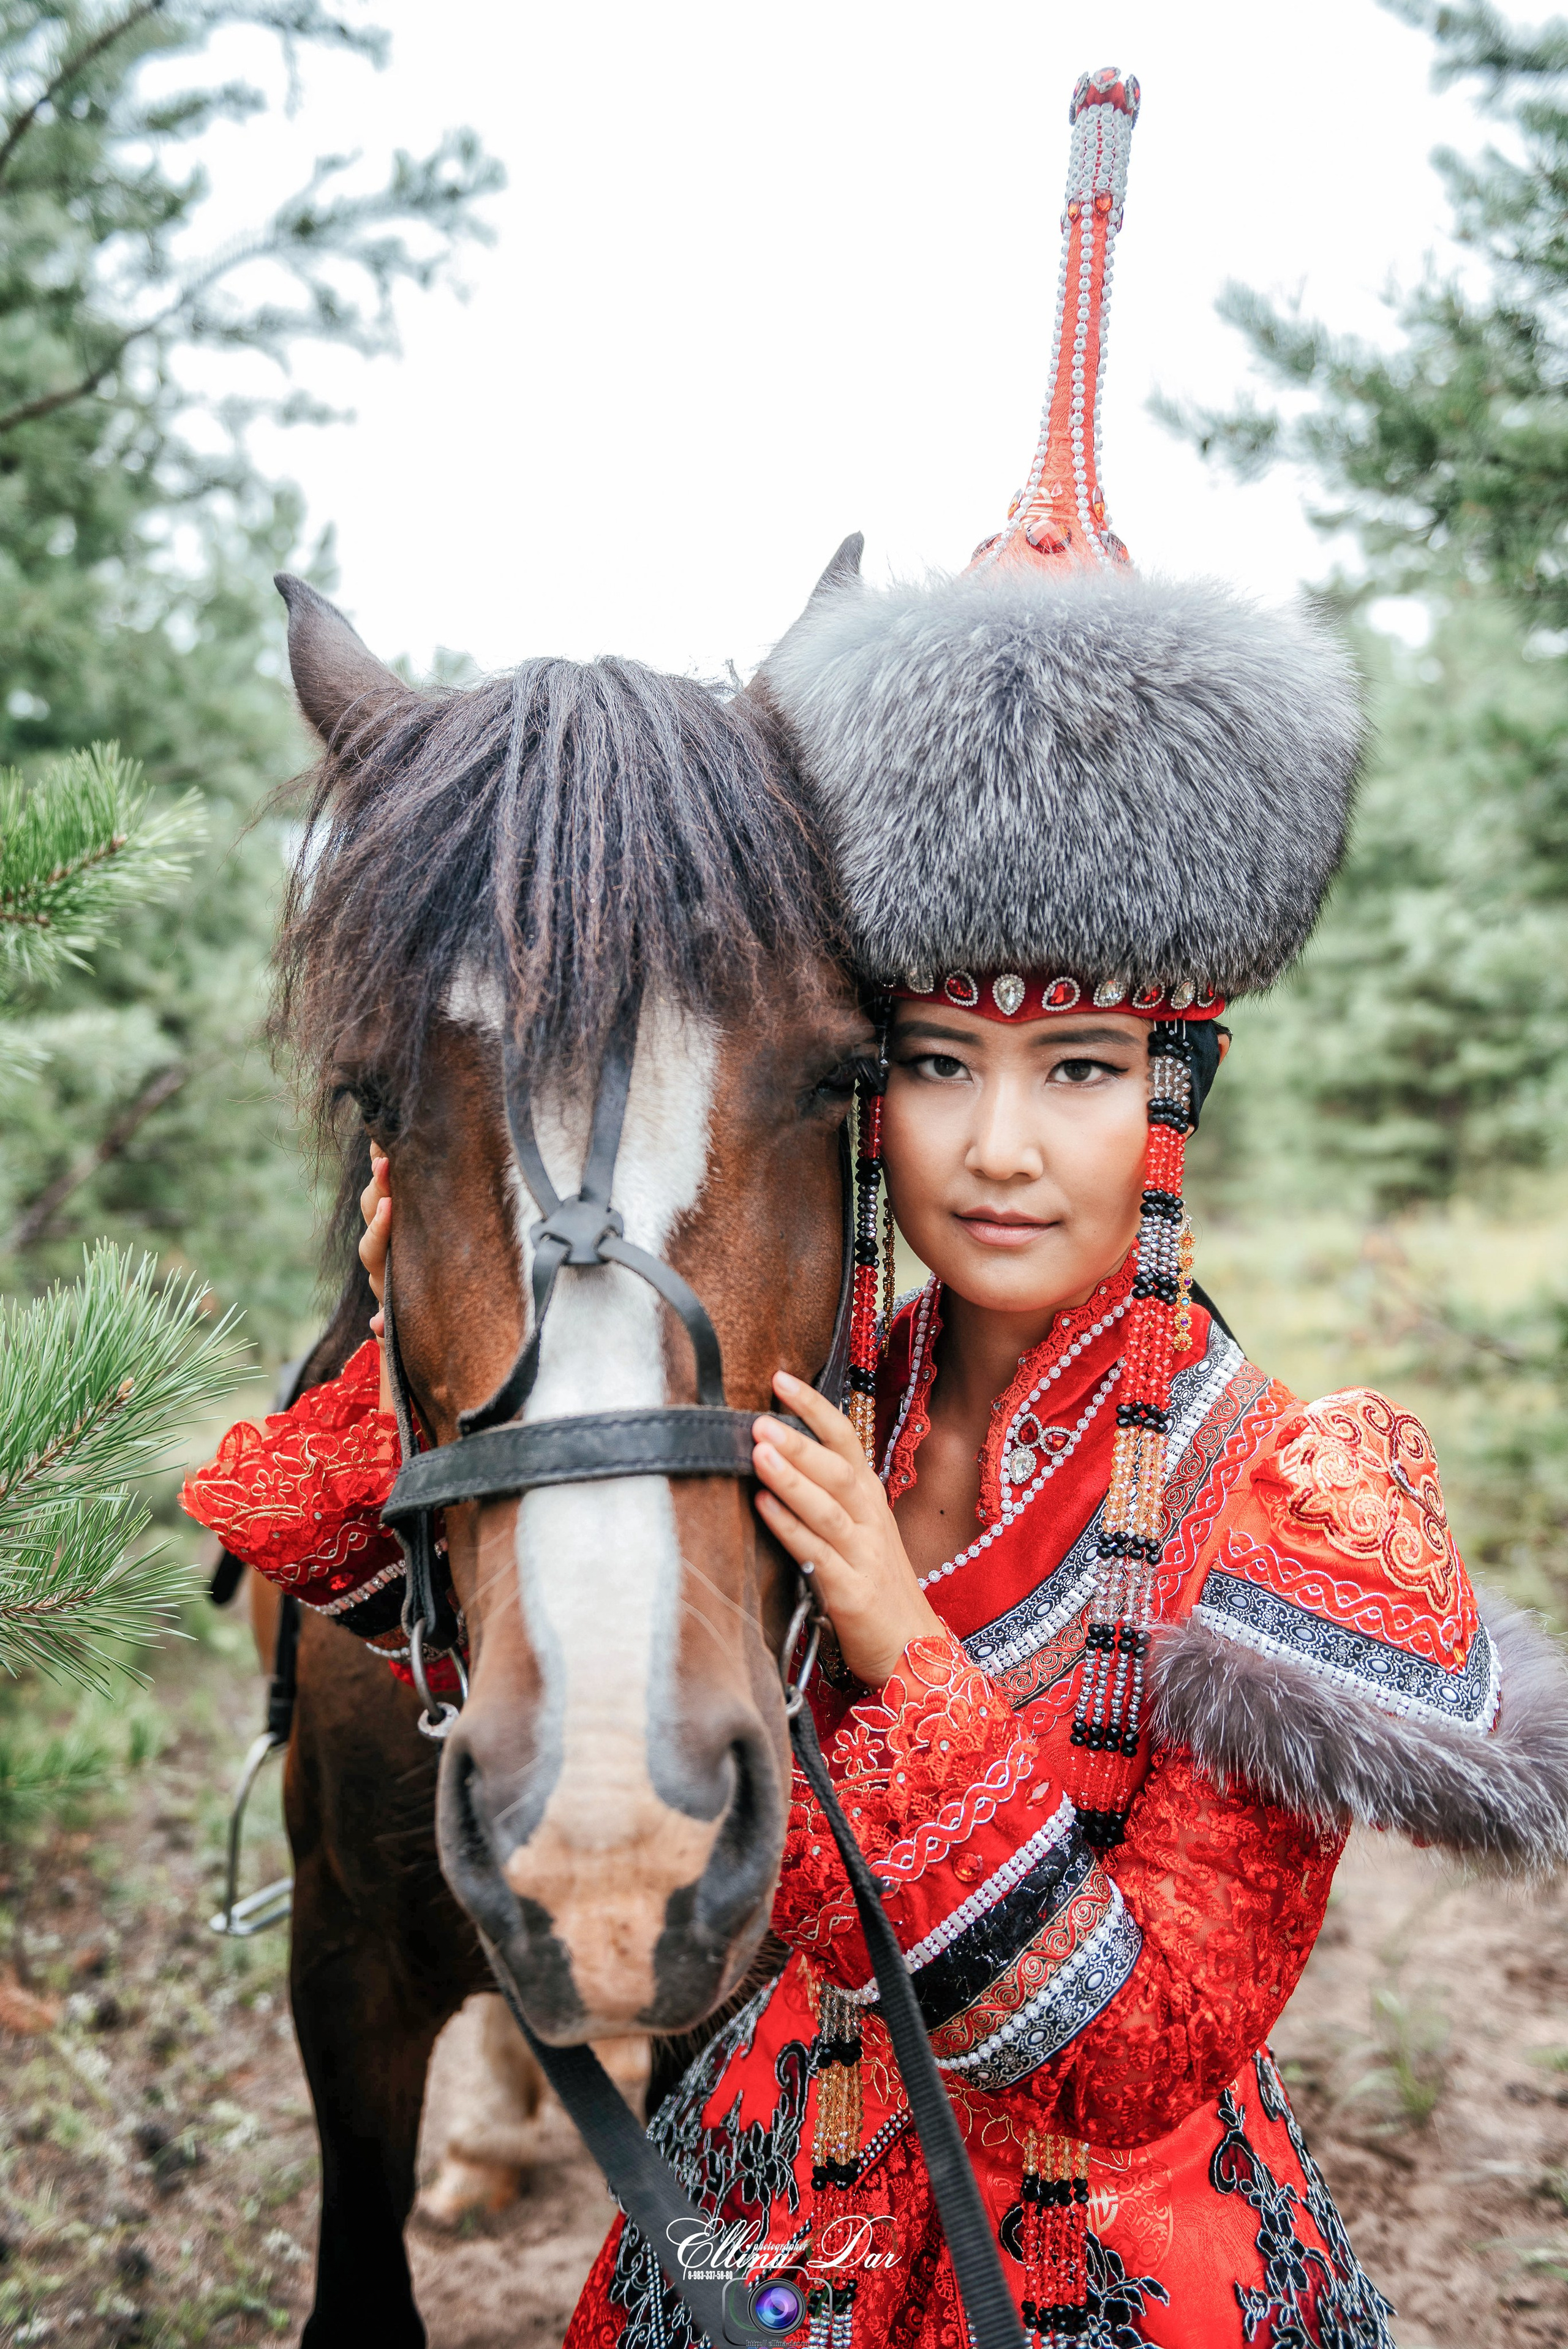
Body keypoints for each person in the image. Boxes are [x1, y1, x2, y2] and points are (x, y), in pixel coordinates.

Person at [184, 66, 1568, 2349]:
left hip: (1088, 2257)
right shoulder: (832, 1371)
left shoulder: (1285, 1504)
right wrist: (415, 1339)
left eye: (1087, 1071)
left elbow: (1143, 2059)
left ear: (1174, 1101)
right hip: (754, 2214)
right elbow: (500, 1478)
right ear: (867, 1102)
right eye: (938, 1067)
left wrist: (908, 1656)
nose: (1003, 1146)